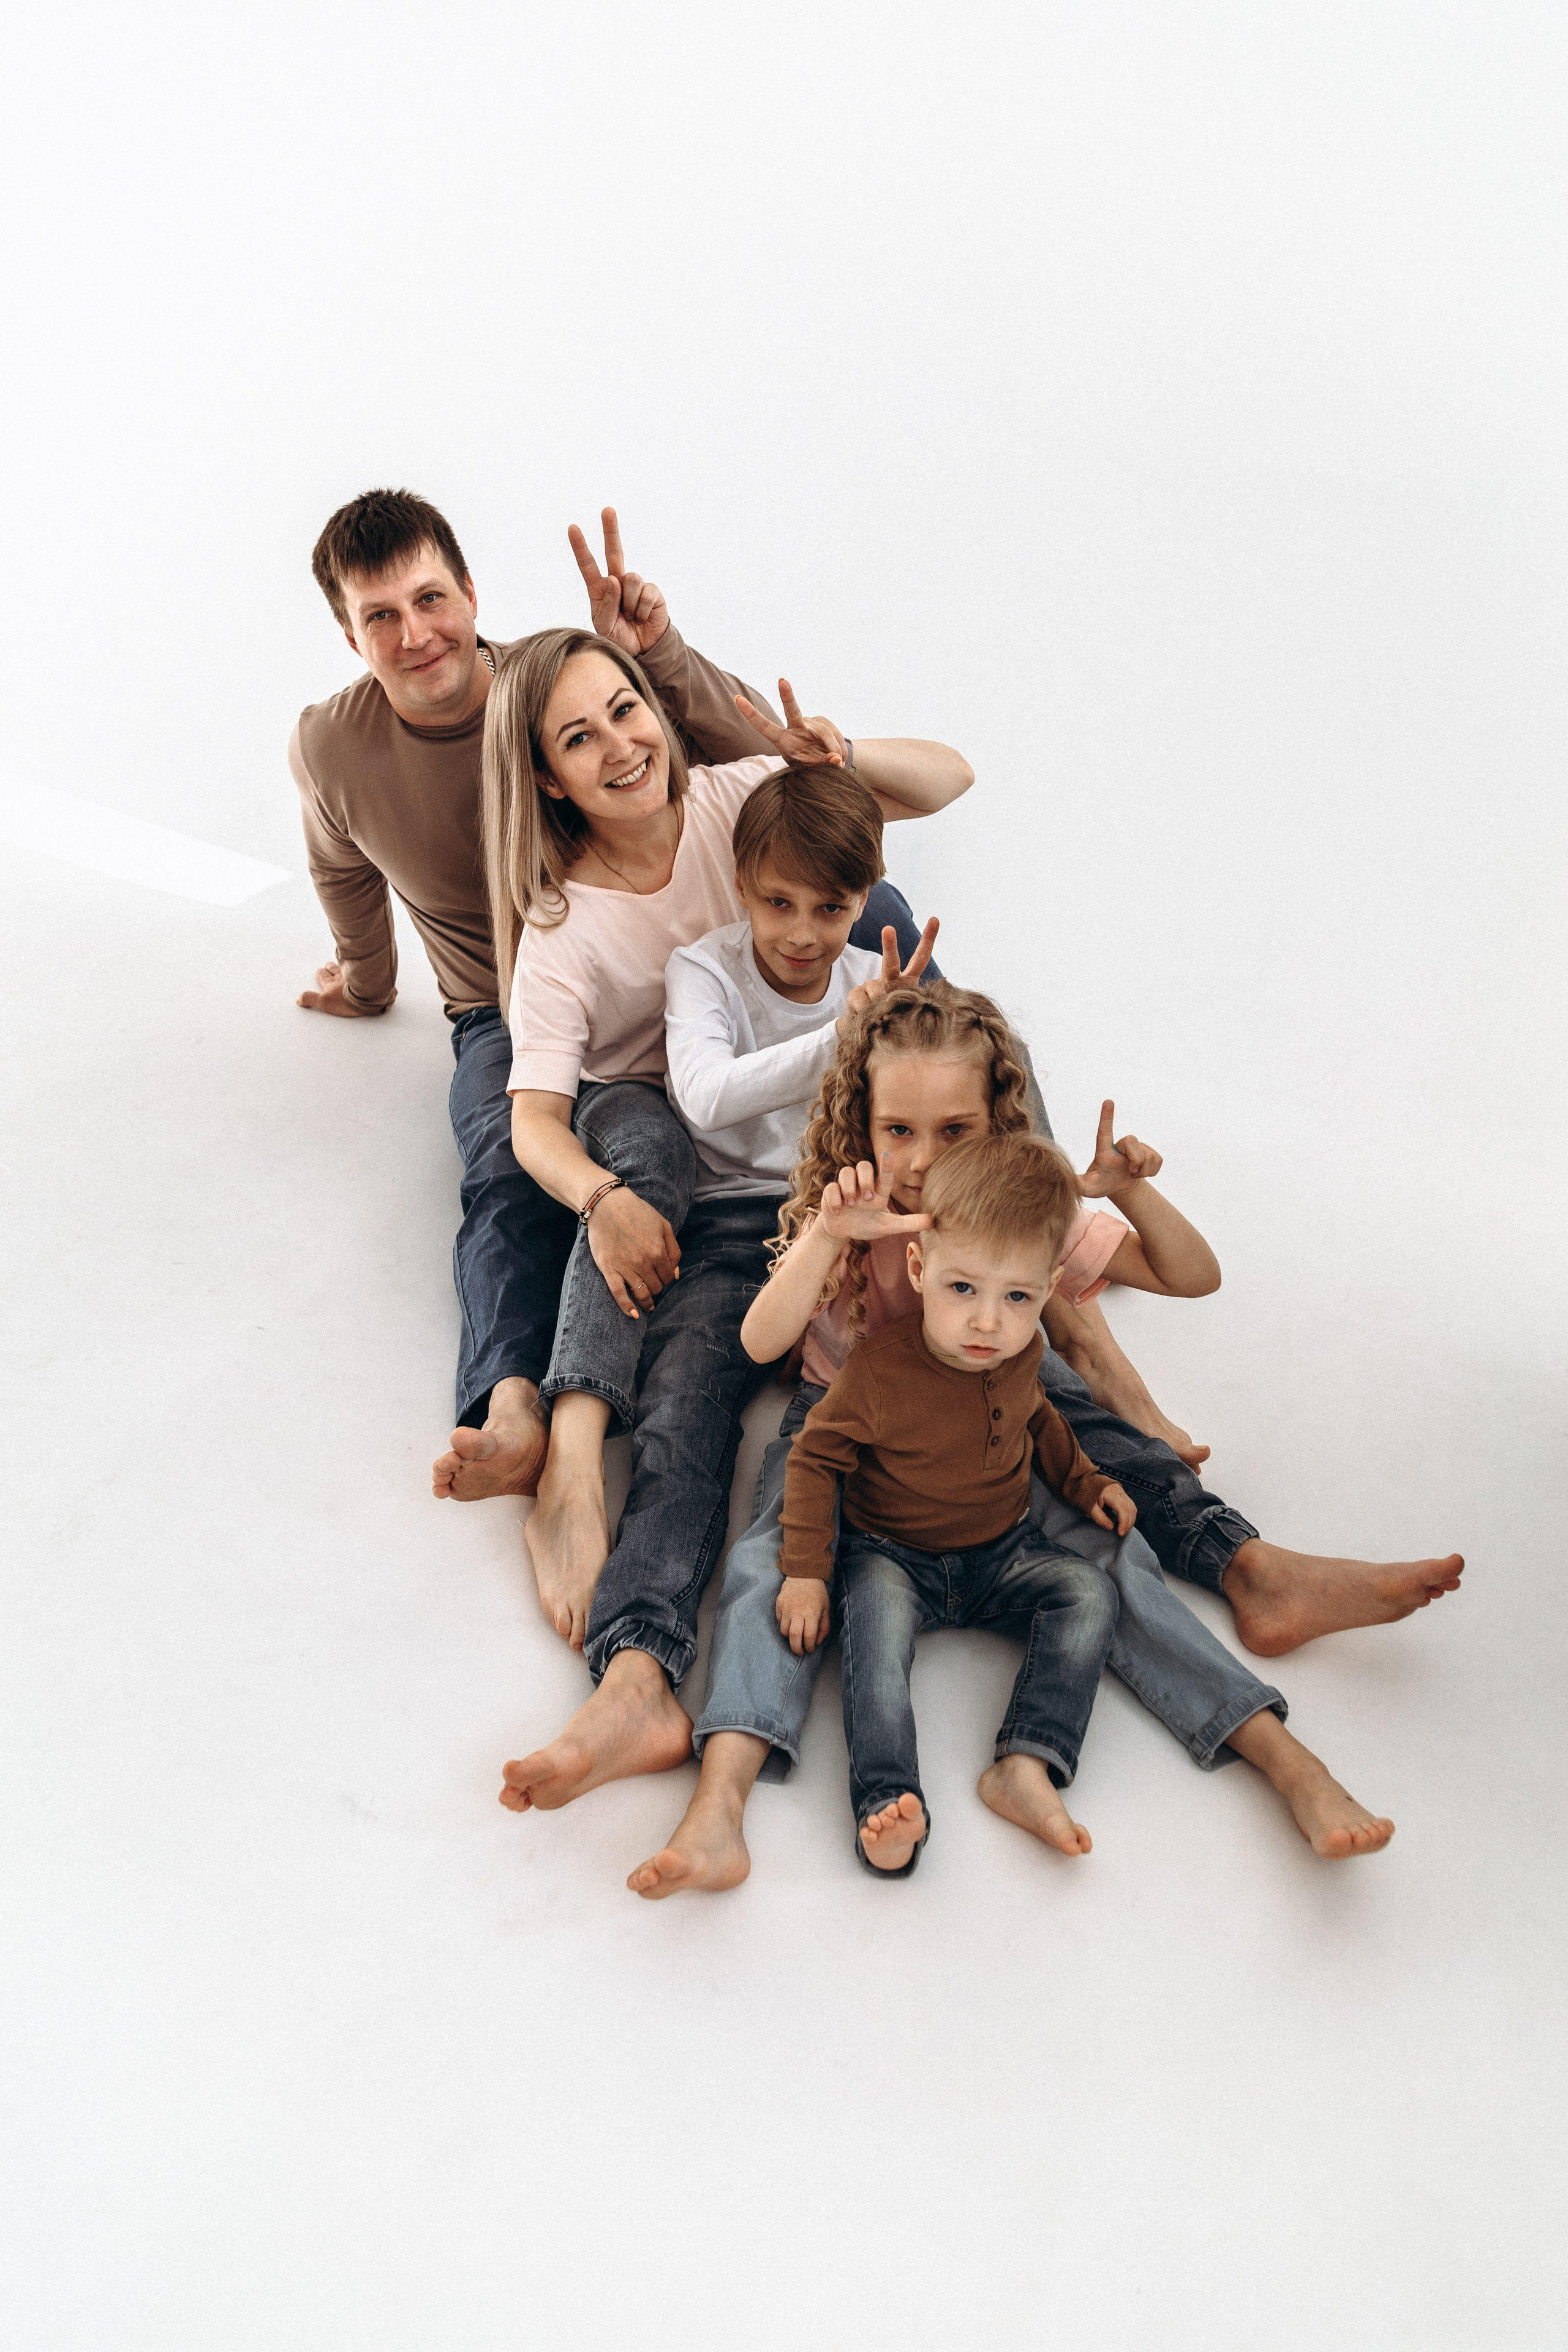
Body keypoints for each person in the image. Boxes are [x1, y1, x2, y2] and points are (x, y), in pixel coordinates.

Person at [628, 981, 1449, 1896]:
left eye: (954, 1131)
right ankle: (719, 1805)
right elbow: (760, 1343)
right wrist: (827, 1237)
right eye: (897, 1130)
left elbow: (1194, 1276)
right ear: (863, 1123)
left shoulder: (1018, 1212)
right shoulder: (858, 1213)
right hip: (847, 1422)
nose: (921, 1158)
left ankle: (1283, 1757)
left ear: (998, 1126)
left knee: (1114, 1553)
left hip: (997, 1412)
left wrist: (1132, 1192)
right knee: (767, 1569)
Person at [288, 489, 930, 1632]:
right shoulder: (341, 748)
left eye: (431, 597)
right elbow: (341, 866)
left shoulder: (567, 683)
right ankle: (526, 1410)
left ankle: (976, 1178)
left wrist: (662, 651)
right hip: (527, 1010)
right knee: (513, 1161)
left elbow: (756, 766)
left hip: (712, 975)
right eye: (378, 616)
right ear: (349, 634)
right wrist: (365, 980)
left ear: (471, 595)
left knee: (876, 902)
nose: (415, 631)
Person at [489, 634, 971, 1804]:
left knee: (950, 1021)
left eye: (625, 709)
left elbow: (948, 779)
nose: (618, 746)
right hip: (710, 1198)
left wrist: (838, 752)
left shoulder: (736, 794)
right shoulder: (617, 946)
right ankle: (638, 1679)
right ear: (548, 776)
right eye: (578, 737)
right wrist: (605, 1201)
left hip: (847, 1202)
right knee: (684, 1419)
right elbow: (587, 1115)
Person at [777, 1131, 1396, 1878]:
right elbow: (814, 1458)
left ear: (1047, 1291)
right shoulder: (879, 1370)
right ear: (919, 1265)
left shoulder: (1023, 1352)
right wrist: (806, 1570)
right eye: (961, 1289)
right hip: (892, 1556)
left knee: (1085, 1591)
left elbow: (1041, 1419)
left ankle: (1027, 1758)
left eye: (1017, 1298)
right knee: (872, 1644)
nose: (986, 1323)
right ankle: (887, 1799)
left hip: (999, 1551)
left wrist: (1088, 1484)